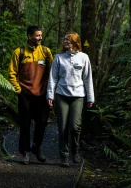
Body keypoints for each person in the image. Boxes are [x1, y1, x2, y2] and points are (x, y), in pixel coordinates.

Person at [46, 32, 94, 167]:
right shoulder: (59, 57)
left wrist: (90, 97)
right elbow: (53, 78)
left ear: (75, 41)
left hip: (78, 96)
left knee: (74, 127)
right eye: (65, 39)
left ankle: (75, 151)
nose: (65, 41)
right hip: (61, 95)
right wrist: (50, 95)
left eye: (68, 39)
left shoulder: (84, 57)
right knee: (62, 127)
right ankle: (64, 155)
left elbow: (87, 79)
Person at [8, 26, 53, 165]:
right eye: (37, 35)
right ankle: (25, 152)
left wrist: (50, 91)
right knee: (25, 125)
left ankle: (36, 147)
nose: (40, 37)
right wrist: (18, 90)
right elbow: (12, 74)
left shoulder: (46, 52)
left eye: (41, 35)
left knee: (42, 123)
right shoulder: (19, 52)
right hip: (25, 95)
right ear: (29, 36)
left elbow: (52, 72)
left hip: (42, 95)